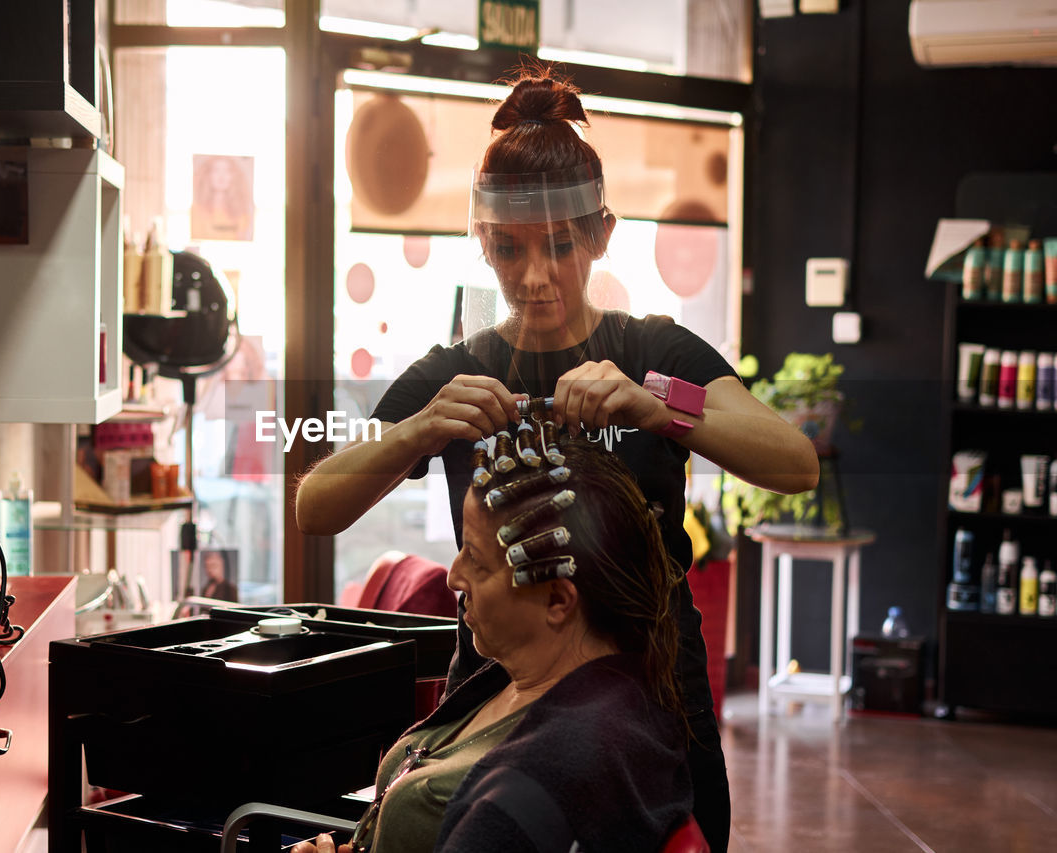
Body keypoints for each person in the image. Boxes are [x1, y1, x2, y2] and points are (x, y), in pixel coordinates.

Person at [296, 67, 819, 852]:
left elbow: (793, 460)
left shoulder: (653, 352)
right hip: (500, 680)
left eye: (559, 245)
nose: (534, 276)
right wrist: (420, 428)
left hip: (646, 686)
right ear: (481, 242)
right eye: (508, 249)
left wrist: (658, 408)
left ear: (601, 235)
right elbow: (315, 504)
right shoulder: (455, 369)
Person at [294, 436, 695, 853]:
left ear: (557, 599)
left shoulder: (546, 782)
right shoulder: (527, 682)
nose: (453, 577)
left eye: (477, 559)